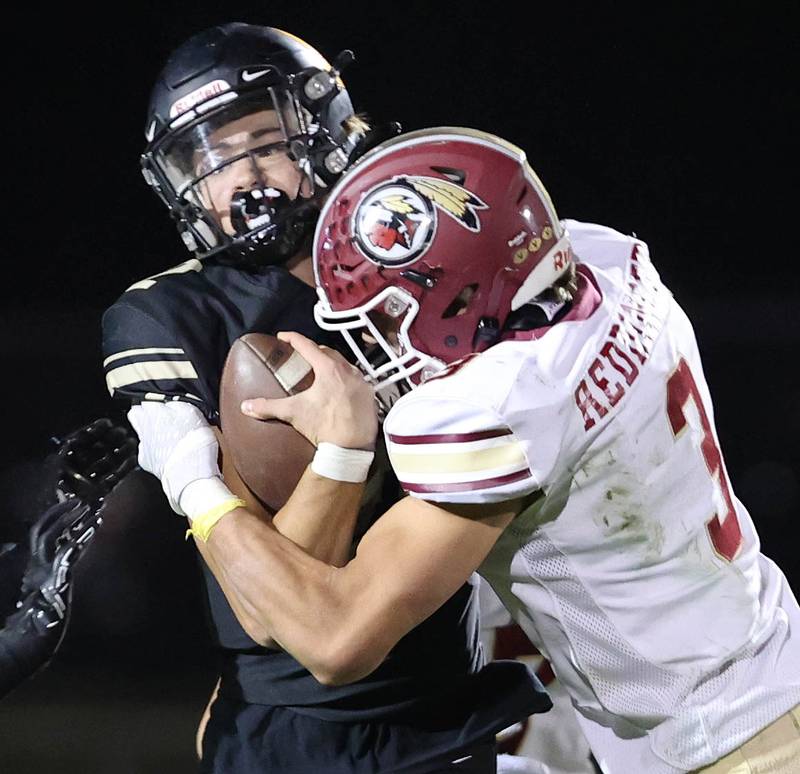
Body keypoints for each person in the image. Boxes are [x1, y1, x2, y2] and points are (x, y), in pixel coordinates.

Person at [129, 126, 800, 774]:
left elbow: (333, 642)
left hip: (726, 742)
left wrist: (194, 478)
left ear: (457, 297)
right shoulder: (603, 259)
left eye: (387, 313)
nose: (380, 340)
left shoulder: (498, 407)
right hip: (765, 663)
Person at [106, 27, 548, 773]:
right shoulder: (170, 314)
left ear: (328, 134)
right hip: (293, 730)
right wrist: (344, 449)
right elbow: (265, 611)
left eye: (264, 144)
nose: (244, 177)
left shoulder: (414, 261)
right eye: (211, 159)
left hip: (449, 700)